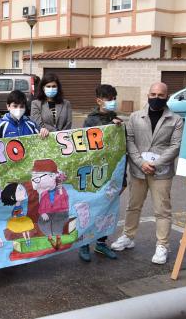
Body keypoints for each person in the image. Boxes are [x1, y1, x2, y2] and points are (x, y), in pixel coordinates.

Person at [111, 82, 183, 265]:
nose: (156, 98)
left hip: (162, 172)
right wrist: (141, 162)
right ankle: (128, 236)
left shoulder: (175, 120)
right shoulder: (135, 117)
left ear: (167, 96)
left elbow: (175, 146)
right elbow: (130, 140)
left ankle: (162, 245)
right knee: (133, 206)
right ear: (148, 95)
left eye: (160, 95)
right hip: (138, 170)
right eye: (153, 94)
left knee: (162, 210)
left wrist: (155, 163)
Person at [78, 84, 123, 262]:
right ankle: (84, 244)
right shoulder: (91, 120)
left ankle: (101, 243)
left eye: (114, 98)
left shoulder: (115, 118)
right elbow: (85, 144)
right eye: (109, 99)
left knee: (107, 207)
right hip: (94, 171)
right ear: (99, 100)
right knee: (90, 207)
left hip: (110, 171)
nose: (112, 102)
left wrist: (117, 127)